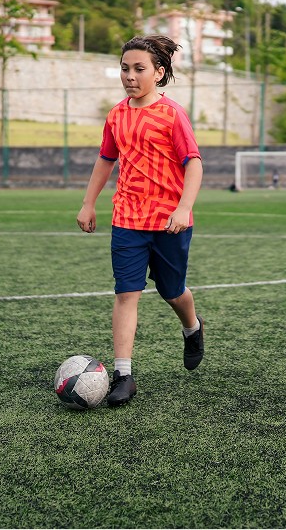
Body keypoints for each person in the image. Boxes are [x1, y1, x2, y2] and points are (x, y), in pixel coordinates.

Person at [76, 34, 205, 407]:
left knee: (172, 291)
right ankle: (124, 375)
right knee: (126, 292)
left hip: (169, 223)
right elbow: (106, 159)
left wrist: (183, 207)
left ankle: (192, 328)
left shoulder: (172, 114)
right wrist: (89, 203)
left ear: (159, 72)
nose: (130, 76)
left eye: (139, 69)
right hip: (128, 218)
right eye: (124, 68)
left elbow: (193, 164)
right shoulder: (116, 115)